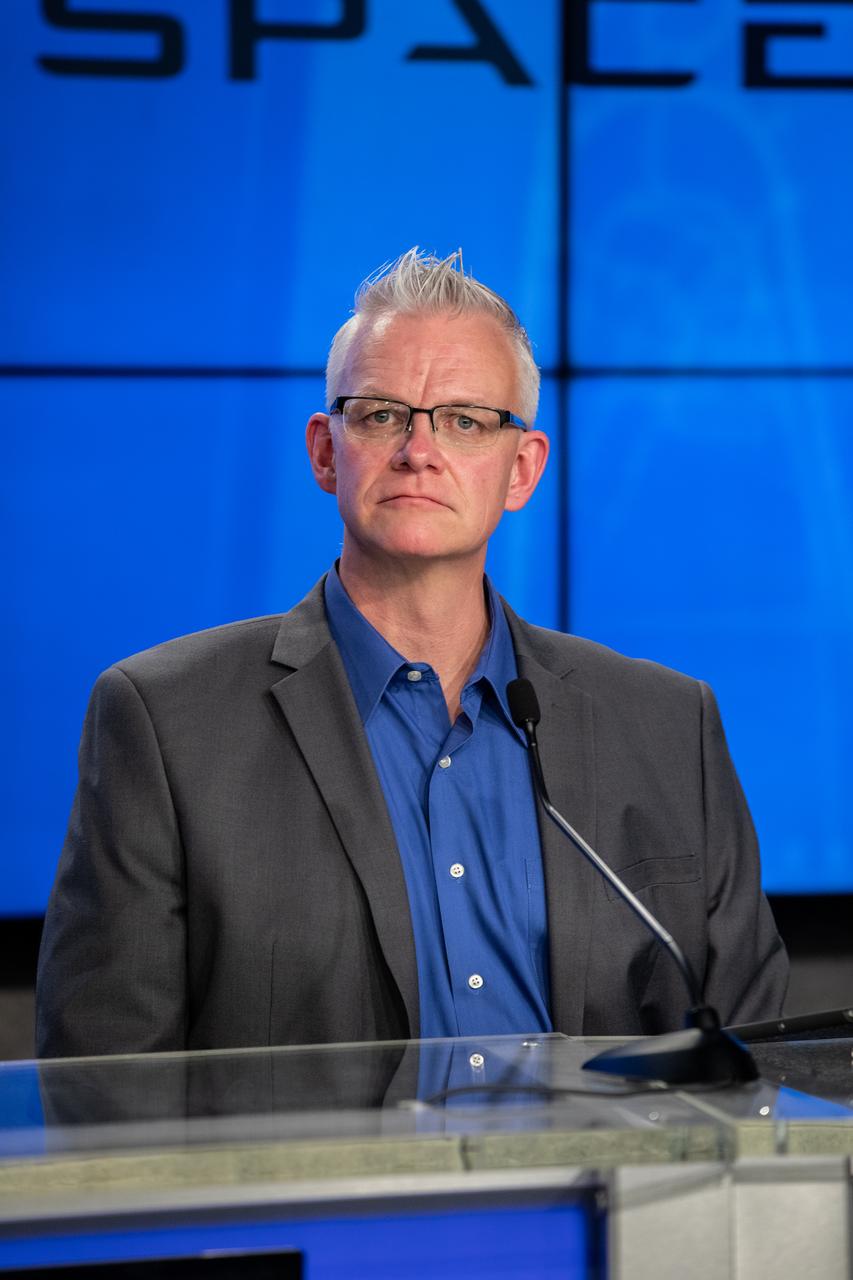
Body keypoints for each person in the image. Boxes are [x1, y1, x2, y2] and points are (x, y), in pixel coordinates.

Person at [36, 249, 787, 1058]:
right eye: (382, 414)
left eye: (465, 420)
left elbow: (756, 1065)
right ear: (326, 451)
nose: (418, 451)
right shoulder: (166, 722)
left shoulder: (668, 726)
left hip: (606, 1183)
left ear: (521, 469)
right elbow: (104, 1088)